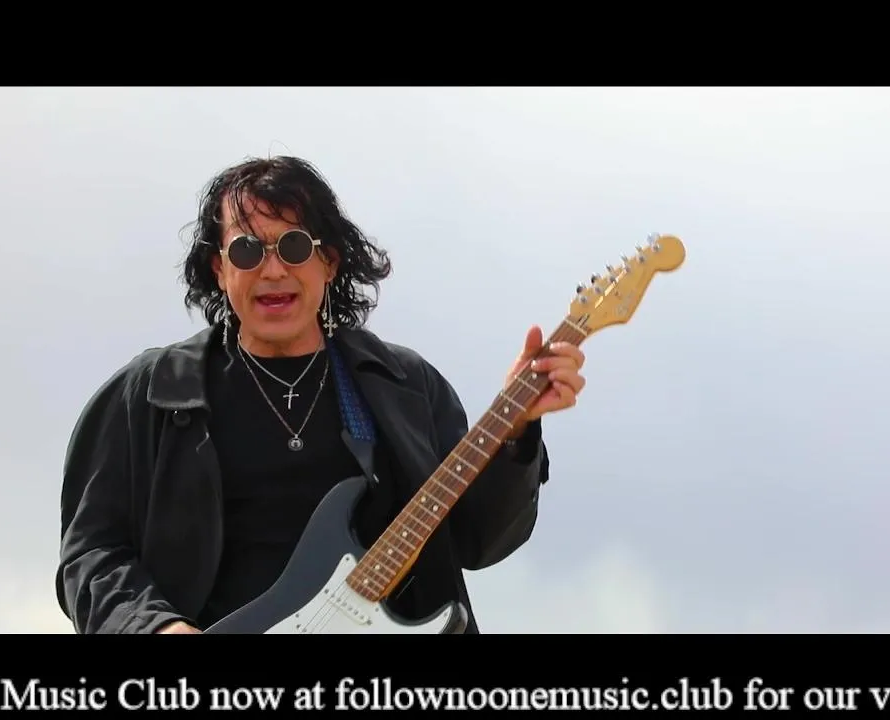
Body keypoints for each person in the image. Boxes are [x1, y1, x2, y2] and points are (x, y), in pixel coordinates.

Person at [55, 155, 586, 634]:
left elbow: (480, 540)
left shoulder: (404, 385)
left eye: (293, 246)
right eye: (246, 250)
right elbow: (91, 553)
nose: (273, 270)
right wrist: (154, 627)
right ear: (219, 269)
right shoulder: (153, 393)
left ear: (328, 261)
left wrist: (517, 433)